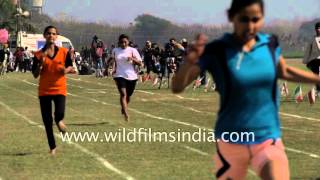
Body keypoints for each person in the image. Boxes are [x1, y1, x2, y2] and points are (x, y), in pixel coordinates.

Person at [172, 0, 320, 179]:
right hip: (231, 139)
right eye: (244, 19)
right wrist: (188, 63)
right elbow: (178, 86)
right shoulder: (217, 50)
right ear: (231, 17)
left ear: (262, 19)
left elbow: (284, 71)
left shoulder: (270, 45)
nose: (250, 25)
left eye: (255, 19)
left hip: (267, 136)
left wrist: (317, 79)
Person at [32, 25, 76, 155]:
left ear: (56, 36)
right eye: (49, 33)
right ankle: (53, 147)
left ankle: (59, 122)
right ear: (44, 35)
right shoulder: (38, 54)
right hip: (44, 91)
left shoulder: (63, 51)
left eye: (53, 33)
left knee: (59, 115)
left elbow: (70, 67)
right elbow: (35, 75)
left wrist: (65, 70)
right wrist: (40, 64)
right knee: (47, 121)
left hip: (59, 89)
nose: (51, 35)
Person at [111, 34, 142, 121]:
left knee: (128, 96)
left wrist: (132, 58)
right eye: (121, 42)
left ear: (128, 42)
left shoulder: (133, 50)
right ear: (119, 42)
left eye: (125, 42)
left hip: (132, 76)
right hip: (119, 75)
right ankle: (126, 113)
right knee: (123, 94)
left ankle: (123, 107)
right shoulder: (115, 50)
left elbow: (140, 63)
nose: (123, 44)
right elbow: (113, 60)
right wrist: (108, 68)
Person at [303, 22, 320, 93]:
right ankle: (318, 90)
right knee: (316, 76)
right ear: (315, 30)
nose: (318, 30)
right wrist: (305, 60)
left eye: (319, 28)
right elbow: (308, 50)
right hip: (315, 60)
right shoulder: (312, 39)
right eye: (317, 28)